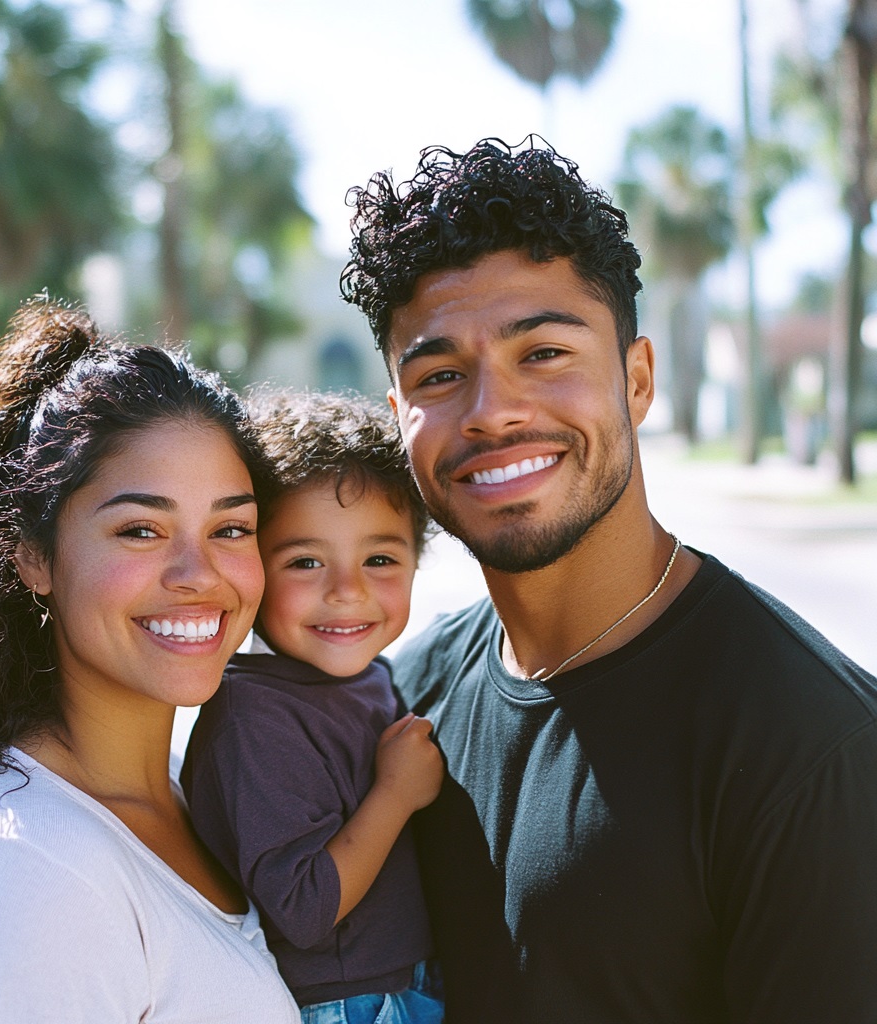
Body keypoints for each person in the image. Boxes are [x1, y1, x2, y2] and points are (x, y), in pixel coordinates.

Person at [339, 136, 877, 1023]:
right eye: (440, 375)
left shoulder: (815, 747)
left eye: (543, 353)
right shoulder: (399, 700)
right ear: (400, 418)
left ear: (636, 380)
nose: (493, 411)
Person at [0, 298, 300, 1023]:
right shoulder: (23, 877)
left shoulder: (187, 798)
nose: (199, 573)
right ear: (34, 556)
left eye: (231, 527)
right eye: (140, 529)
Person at [182, 390, 445, 1024]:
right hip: (348, 1005)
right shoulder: (252, 717)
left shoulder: (371, 675)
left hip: (398, 985)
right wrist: (395, 794)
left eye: (379, 559)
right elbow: (303, 907)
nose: (348, 592)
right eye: (305, 561)